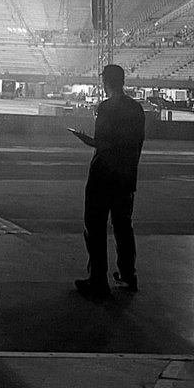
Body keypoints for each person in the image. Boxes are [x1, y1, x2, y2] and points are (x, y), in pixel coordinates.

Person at [69, 64, 145, 301]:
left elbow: (102, 143)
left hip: (103, 176)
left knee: (96, 227)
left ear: (106, 82)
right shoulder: (136, 108)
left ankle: (98, 279)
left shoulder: (107, 107)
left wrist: (84, 139)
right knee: (123, 226)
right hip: (126, 175)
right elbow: (138, 143)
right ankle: (128, 274)